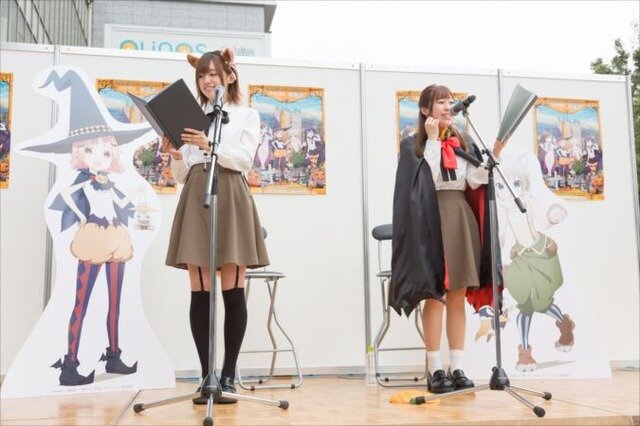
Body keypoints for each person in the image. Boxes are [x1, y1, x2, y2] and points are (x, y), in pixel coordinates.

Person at [163, 48, 269, 404]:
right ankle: (206, 376)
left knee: (232, 288)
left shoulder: (246, 114)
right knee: (201, 290)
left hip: (231, 192)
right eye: (202, 75)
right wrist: (176, 155)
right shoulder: (191, 116)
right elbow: (182, 174)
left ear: (230, 76)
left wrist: (210, 146)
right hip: (197, 192)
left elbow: (244, 159)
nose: (207, 80)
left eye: (213, 73)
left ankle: (228, 376)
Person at [390, 84, 505, 394]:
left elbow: (473, 180)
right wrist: (431, 141)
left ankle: (457, 366)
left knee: (457, 295)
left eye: (450, 101)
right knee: (436, 295)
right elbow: (423, 182)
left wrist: (494, 154)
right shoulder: (412, 144)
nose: (447, 106)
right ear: (425, 109)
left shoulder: (462, 140)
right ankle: (434, 368)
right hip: (431, 219)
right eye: (440, 102)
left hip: (460, 217)